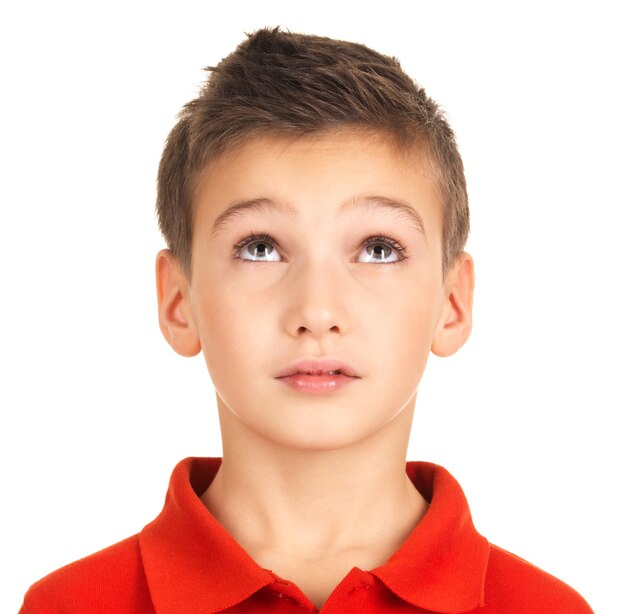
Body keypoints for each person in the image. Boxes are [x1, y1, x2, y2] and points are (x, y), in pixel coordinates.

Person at [19, 26, 593, 613]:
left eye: (378, 248)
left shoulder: (544, 607)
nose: (317, 312)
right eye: (260, 247)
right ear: (178, 302)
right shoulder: (69, 604)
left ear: (453, 302)